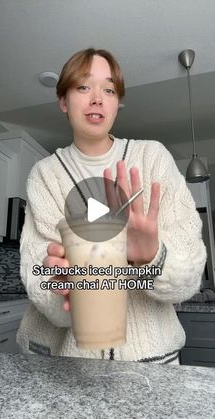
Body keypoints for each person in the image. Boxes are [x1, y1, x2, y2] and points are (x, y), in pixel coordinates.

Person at [17, 48, 207, 364]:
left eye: (109, 89)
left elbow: (190, 275)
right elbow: (38, 273)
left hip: (153, 366)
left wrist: (151, 255)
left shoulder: (152, 158)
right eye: (82, 87)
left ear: (118, 103)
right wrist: (62, 291)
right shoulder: (45, 175)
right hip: (71, 365)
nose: (97, 98)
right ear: (63, 101)